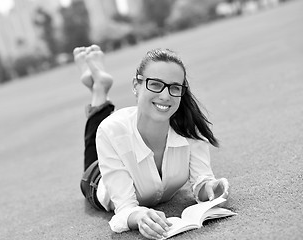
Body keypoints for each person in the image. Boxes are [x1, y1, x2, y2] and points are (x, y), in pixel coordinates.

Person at [76, 45, 229, 240]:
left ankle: (98, 86)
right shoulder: (111, 130)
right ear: (135, 85)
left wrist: (210, 188)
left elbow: (202, 179)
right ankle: (99, 88)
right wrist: (138, 215)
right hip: (97, 180)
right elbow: (124, 208)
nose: (165, 96)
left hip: (121, 136)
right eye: (155, 84)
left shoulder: (190, 128)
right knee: (100, 140)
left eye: (175, 87)